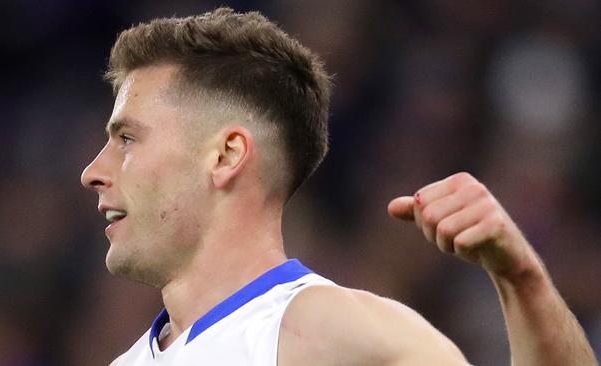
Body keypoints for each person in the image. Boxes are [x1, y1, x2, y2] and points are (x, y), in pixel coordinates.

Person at [80, 7, 598, 366]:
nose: (93, 171)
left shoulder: (328, 331)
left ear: (226, 155)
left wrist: (521, 279)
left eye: (127, 138)